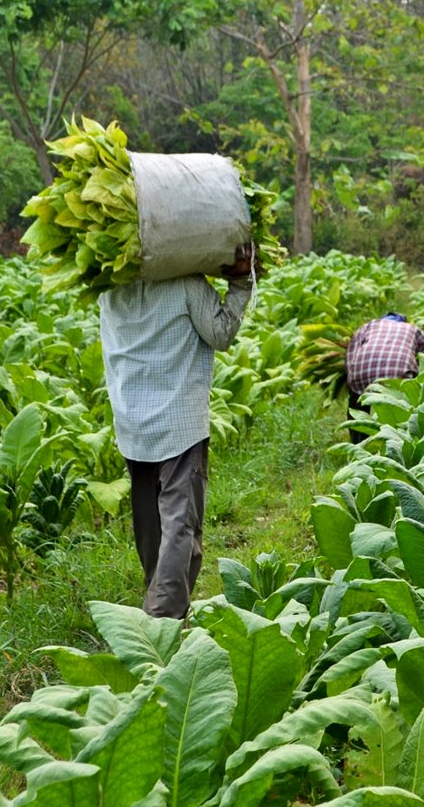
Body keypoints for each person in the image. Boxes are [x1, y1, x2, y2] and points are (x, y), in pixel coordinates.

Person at [99, 244, 257, 619]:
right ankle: (162, 623)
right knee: (180, 526)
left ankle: (162, 601)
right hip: (178, 423)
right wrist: (240, 283)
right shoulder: (186, 284)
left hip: (132, 422)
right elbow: (220, 333)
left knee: (150, 526)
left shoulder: (109, 290)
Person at [346, 313, 424, 443]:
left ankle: (358, 443)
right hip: (398, 374)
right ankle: (400, 442)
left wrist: (351, 379)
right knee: (402, 405)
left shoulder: (368, 326)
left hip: (363, 371)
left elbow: (351, 353)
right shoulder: (414, 329)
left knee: (356, 402)